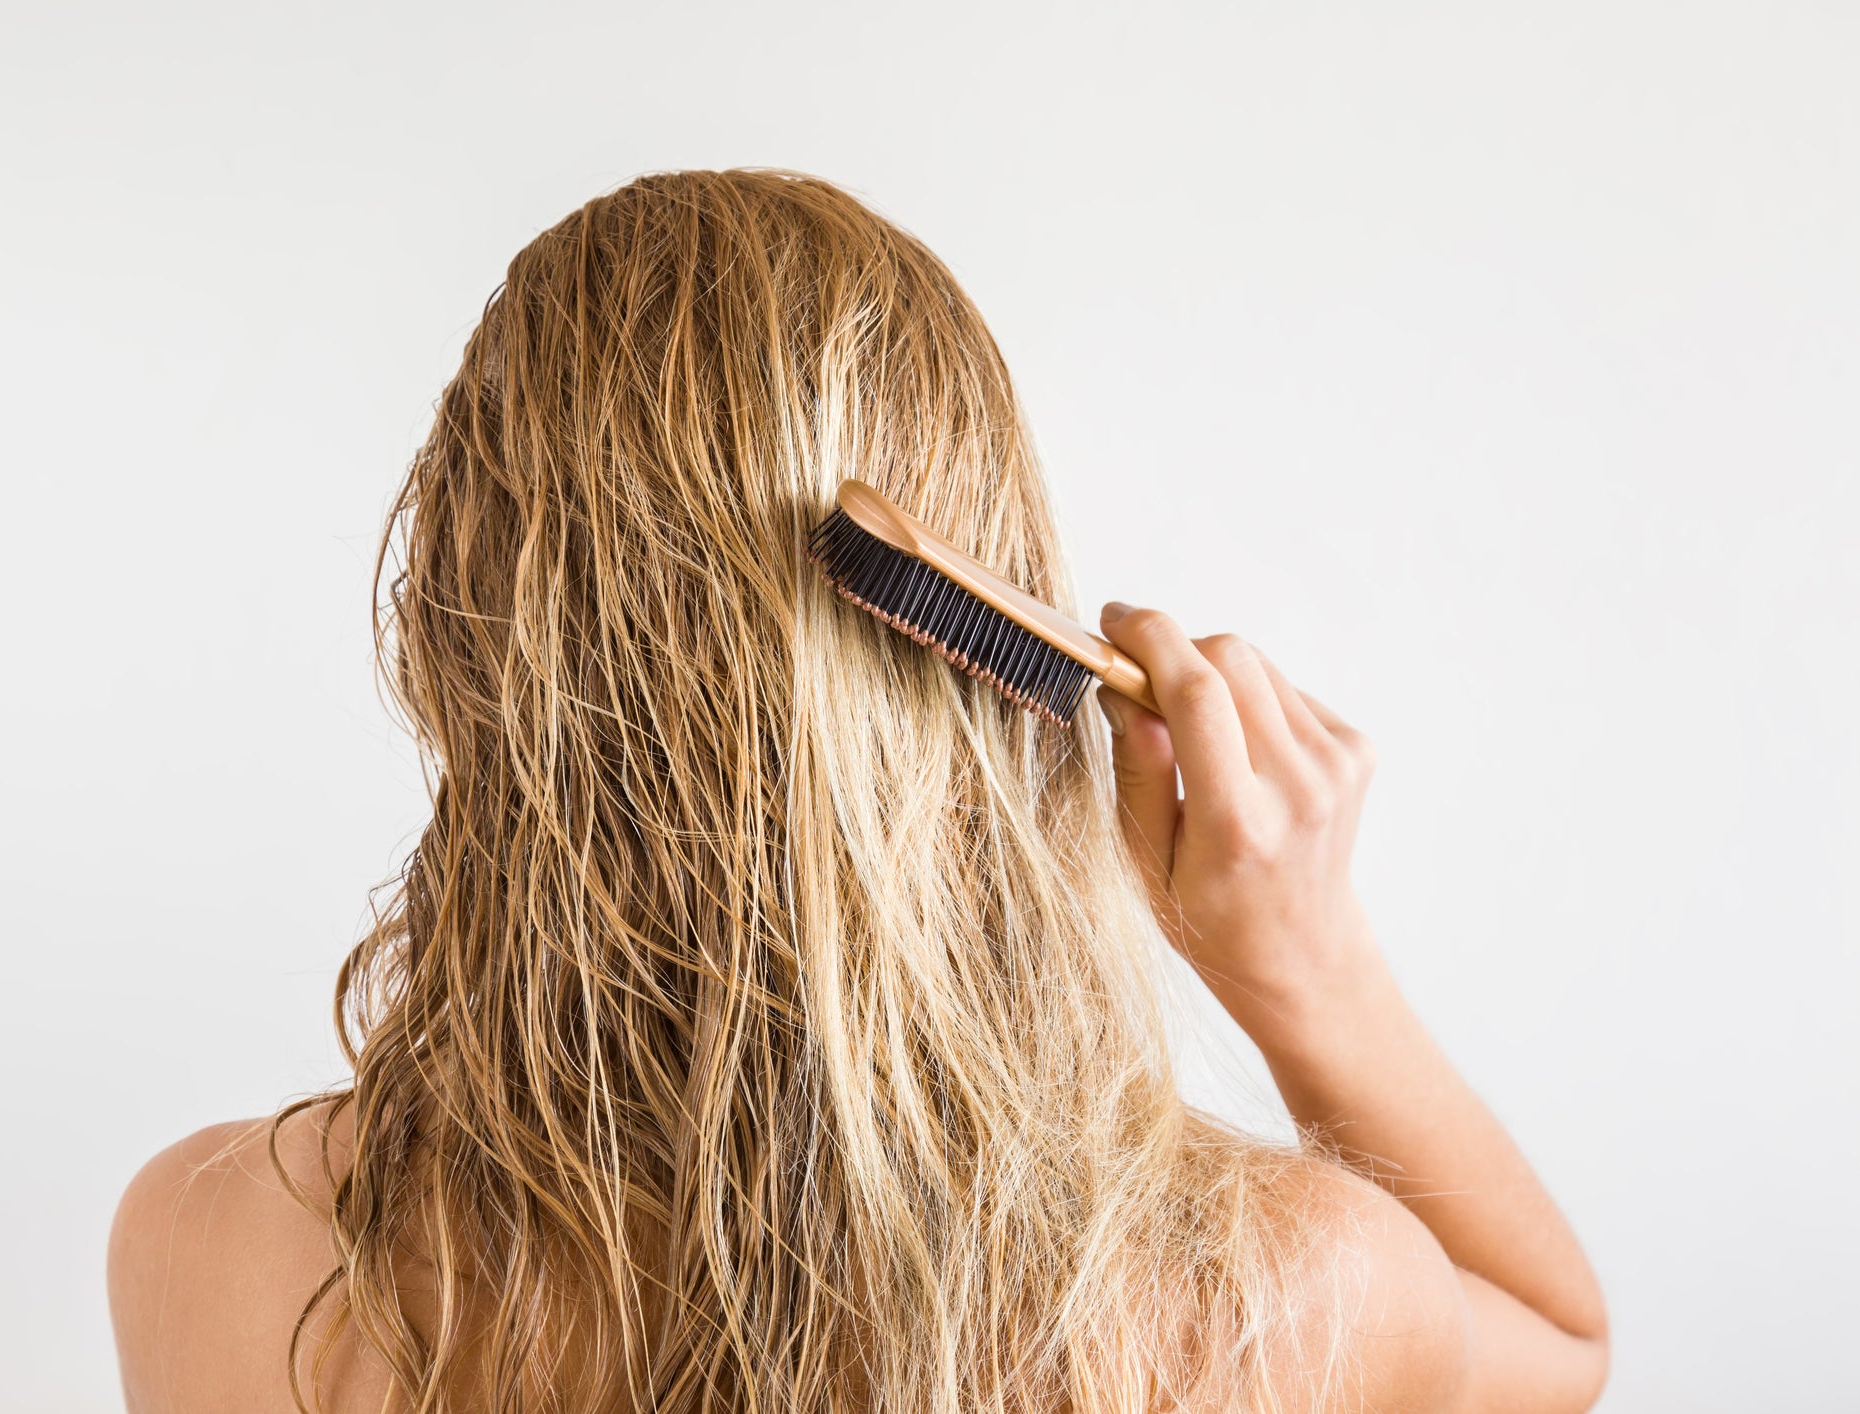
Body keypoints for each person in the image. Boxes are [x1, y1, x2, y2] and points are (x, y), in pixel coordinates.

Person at [106, 169, 1607, 1413]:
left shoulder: (222, 1246)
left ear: (450, 633)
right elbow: (1560, 1344)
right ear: (994, 645)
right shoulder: (1276, 1301)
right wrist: (1302, 957)